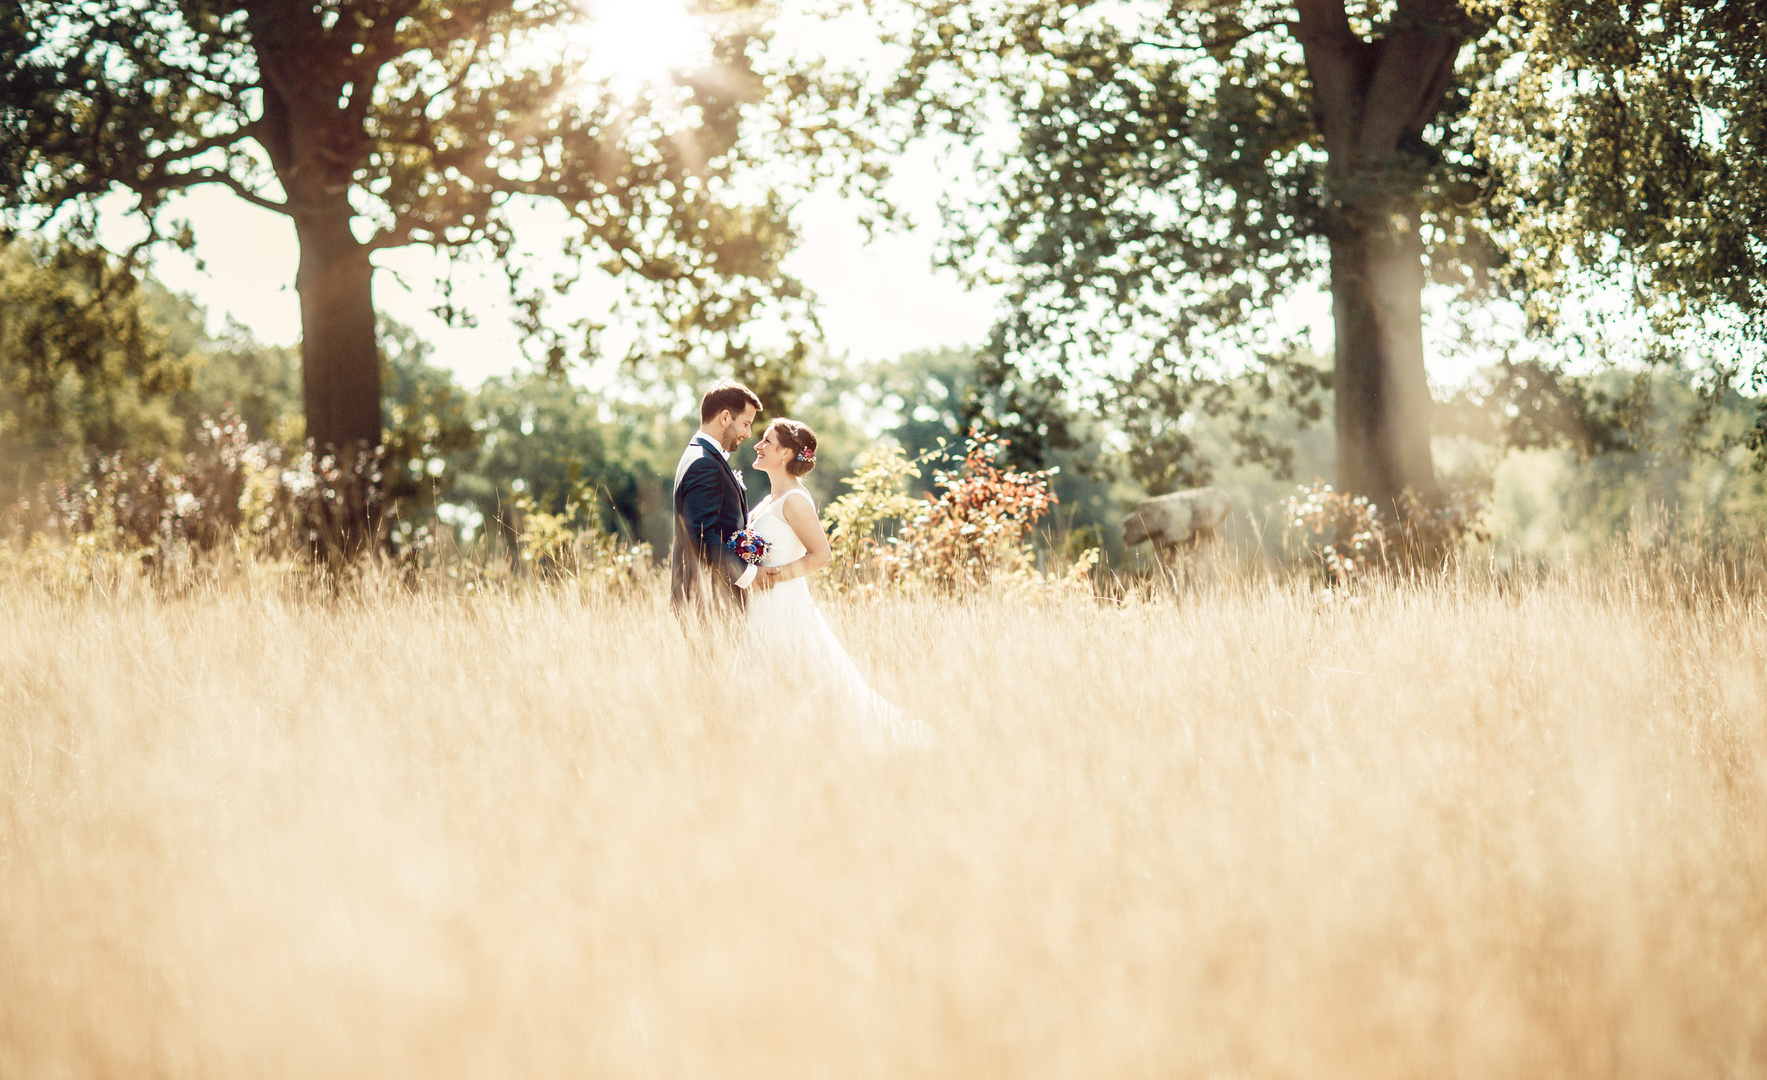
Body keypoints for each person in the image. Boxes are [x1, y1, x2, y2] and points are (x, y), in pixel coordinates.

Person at [743, 417, 928, 748]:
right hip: (760, 605)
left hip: (784, 604)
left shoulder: (795, 500)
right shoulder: (771, 498)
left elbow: (822, 555)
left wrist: (775, 577)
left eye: (766, 441)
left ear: (785, 453)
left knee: (802, 677)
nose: (758, 446)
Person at [670, 380, 777, 617]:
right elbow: (701, 537)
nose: (748, 433)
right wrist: (749, 574)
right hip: (707, 603)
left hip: (711, 601)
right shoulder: (704, 463)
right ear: (725, 417)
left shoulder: (701, 456)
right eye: (746, 423)